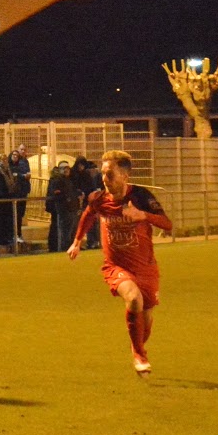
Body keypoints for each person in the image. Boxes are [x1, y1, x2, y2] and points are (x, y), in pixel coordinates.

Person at [67, 151, 172, 376]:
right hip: (117, 267)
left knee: (145, 320)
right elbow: (88, 215)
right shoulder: (98, 199)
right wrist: (77, 241)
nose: (105, 179)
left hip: (146, 267)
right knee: (134, 299)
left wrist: (143, 215)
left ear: (125, 175)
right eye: (103, 174)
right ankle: (139, 355)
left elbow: (167, 224)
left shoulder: (141, 197)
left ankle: (137, 347)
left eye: (110, 174)